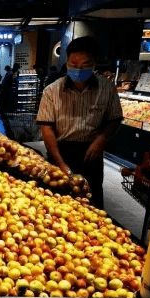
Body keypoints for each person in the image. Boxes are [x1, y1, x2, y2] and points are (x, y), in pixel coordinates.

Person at [36, 36, 123, 209]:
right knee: (56, 205)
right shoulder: (52, 91)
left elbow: (114, 119)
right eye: (74, 64)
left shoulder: (107, 89)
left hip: (91, 154)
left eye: (85, 64)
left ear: (94, 63)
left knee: (92, 204)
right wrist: (60, 163)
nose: (78, 69)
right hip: (60, 151)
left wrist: (101, 140)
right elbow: (47, 128)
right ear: (67, 62)